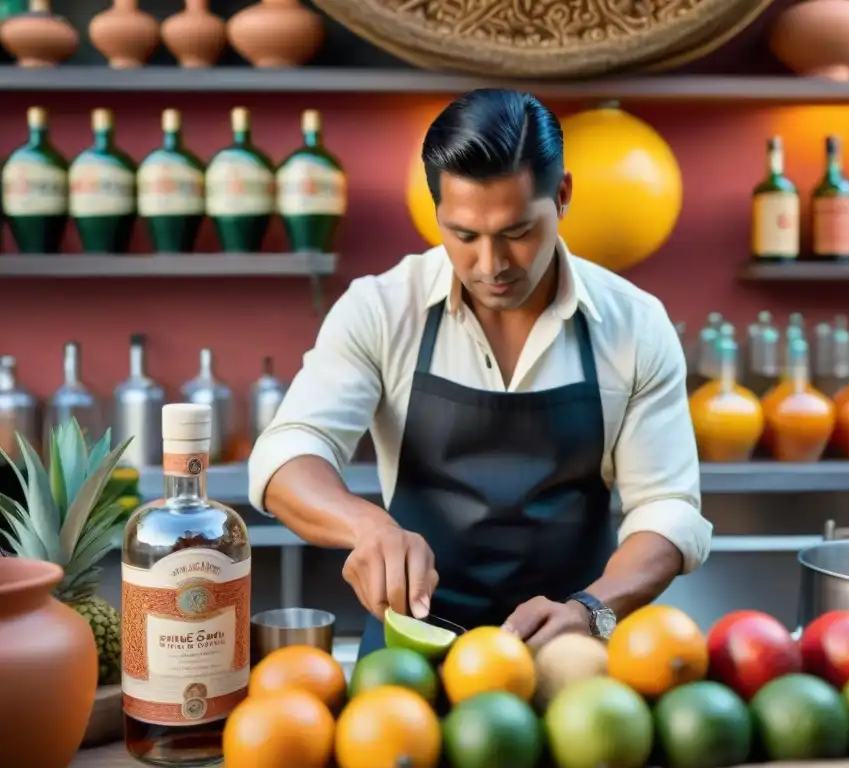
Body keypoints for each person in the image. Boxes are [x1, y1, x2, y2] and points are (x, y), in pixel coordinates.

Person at [248, 88, 712, 658]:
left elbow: (667, 509)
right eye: (463, 235)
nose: (491, 265)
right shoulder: (381, 309)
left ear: (562, 196)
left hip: (572, 656)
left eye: (517, 233)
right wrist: (365, 527)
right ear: (437, 211)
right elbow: (289, 450)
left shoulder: (634, 325)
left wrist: (593, 609)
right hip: (410, 658)